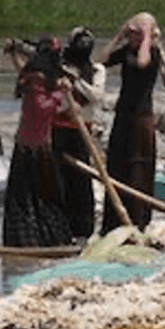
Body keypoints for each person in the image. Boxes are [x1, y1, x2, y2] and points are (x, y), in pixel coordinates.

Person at [99, 12, 165, 235]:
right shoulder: (126, 52)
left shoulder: (153, 53)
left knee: (138, 167)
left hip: (142, 117)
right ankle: (114, 219)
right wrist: (119, 35)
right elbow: (101, 61)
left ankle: (138, 219)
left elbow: (142, 62)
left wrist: (147, 35)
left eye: (137, 33)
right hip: (123, 114)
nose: (133, 37)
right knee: (117, 164)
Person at [2, 36, 74, 247]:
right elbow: (42, 108)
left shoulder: (40, 76)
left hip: (41, 147)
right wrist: (61, 92)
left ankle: (48, 239)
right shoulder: (36, 79)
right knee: (27, 199)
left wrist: (62, 91)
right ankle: (28, 242)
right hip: (28, 149)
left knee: (46, 197)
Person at [52, 26, 106, 239]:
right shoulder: (60, 68)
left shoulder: (97, 71)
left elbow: (96, 96)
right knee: (58, 180)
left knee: (81, 182)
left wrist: (77, 81)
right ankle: (59, 228)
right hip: (58, 130)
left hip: (81, 130)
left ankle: (82, 229)